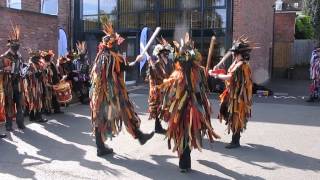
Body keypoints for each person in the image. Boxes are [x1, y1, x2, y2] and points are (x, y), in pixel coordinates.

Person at [90, 20, 154, 157]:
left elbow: (103, 73)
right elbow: (125, 68)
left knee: (105, 117)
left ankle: (102, 147)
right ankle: (102, 147)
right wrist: (136, 61)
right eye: (117, 43)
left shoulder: (101, 56)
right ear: (112, 45)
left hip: (103, 93)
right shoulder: (112, 57)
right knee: (121, 112)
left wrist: (136, 61)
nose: (119, 46)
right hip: (112, 93)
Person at [159, 33, 220, 172]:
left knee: (184, 134)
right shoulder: (193, 73)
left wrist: (166, 108)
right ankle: (185, 161)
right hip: (187, 109)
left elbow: (171, 95)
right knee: (186, 133)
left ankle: (184, 162)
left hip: (186, 110)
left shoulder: (186, 74)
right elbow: (199, 92)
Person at [209, 36, 254, 149]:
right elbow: (229, 73)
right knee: (228, 112)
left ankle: (235, 141)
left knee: (235, 115)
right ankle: (235, 138)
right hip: (232, 94)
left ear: (240, 54)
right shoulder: (237, 62)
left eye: (235, 53)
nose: (234, 55)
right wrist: (218, 68)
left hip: (238, 96)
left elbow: (230, 76)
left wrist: (216, 75)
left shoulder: (242, 65)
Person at [0, 24, 25, 131]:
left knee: (20, 104)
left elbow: (22, 67)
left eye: (18, 45)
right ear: (10, 45)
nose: (17, 47)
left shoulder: (19, 56)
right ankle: (9, 125)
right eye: (15, 45)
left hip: (18, 83)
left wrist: (24, 71)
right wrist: (5, 70)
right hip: (8, 84)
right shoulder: (3, 57)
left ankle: (20, 123)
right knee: (9, 104)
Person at [146, 38, 174, 134]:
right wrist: (163, 82)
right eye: (163, 53)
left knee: (168, 108)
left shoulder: (170, 63)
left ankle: (164, 127)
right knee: (158, 108)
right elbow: (155, 77)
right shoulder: (155, 64)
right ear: (159, 54)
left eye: (166, 52)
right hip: (158, 90)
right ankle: (158, 127)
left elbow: (172, 73)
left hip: (168, 89)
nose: (165, 54)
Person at [23, 50, 47, 123]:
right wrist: (37, 74)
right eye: (37, 58)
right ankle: (38, 117)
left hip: (36, 85)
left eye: (39, 58)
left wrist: (43, 71)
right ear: (33, 58)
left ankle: (32, 117)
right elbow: (27, 75)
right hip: (33, 86)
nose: (39, 59)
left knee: (34, 101)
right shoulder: (30, 65)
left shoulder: (36, 64)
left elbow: (41, 74)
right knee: (36, 101)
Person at [40, 50, 63, 114]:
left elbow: (55, 73)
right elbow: (44, 75)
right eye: (51, 57)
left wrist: (58, 79)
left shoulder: (52, 63)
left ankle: (57, 109)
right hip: (47, 83)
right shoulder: (44, 65)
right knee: (47, 97)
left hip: (54, 81)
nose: (52, 58)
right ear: (48, 58)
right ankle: (47, 110)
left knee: (55, 96)